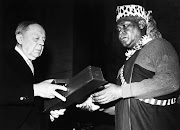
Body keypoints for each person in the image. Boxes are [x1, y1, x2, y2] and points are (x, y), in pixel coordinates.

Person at [77, 4, 180, 130]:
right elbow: (132, 106)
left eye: (125, 26)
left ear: (141, 24)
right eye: (118, 30)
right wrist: (102, 106)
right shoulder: (127, 63)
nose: (121, 32)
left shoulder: (159, 45)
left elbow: (171, 81)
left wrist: (120, 91)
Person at [0, 21, 68, 130]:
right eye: (36, 38)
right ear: (20, 39)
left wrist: (49, 114)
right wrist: (36, 90)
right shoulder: (3, 58)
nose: (42, 43)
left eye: (43, 40)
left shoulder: (36, 69)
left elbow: (33, 107)